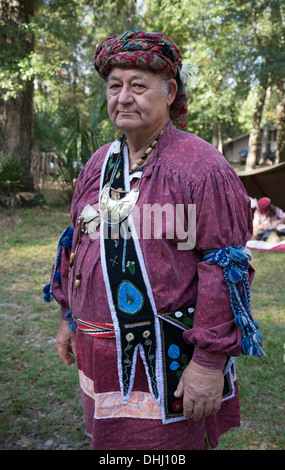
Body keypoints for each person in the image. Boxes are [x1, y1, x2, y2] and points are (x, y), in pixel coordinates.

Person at [44, 30, 264, 451]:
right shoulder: (99, 164)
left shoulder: (200, 166)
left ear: (170, 92)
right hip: (100, 356)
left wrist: (207, 363)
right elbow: (76, 244)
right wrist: (67, 319)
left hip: (168, 366)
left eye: (138, 86)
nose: (123, 97)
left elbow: (225, 267)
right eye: (114, 86)